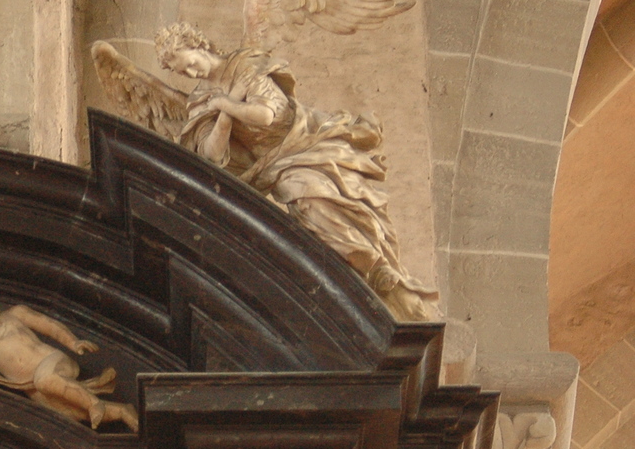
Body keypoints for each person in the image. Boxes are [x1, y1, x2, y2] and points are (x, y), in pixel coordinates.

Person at [155, 22, 438, 321]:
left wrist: (226, 104)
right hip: (276, 164)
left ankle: (374, 267)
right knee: (306, 204)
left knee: (324, 201)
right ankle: (360, 272)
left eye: (189, 64)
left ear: (198, 46)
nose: (191, 74)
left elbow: (268, 115)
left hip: (304, 140)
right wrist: (226, 110)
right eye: (182, 73)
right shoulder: (201, 99)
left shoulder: (246, 65)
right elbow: (211, 155)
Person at [0, 266, 136, 431]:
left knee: (46, 379)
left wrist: (73, 342)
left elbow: (49, 326)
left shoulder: (15, 314)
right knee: (72, 412)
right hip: (33, 388)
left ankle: (93, 403)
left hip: (53, 363)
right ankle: (121, 411)